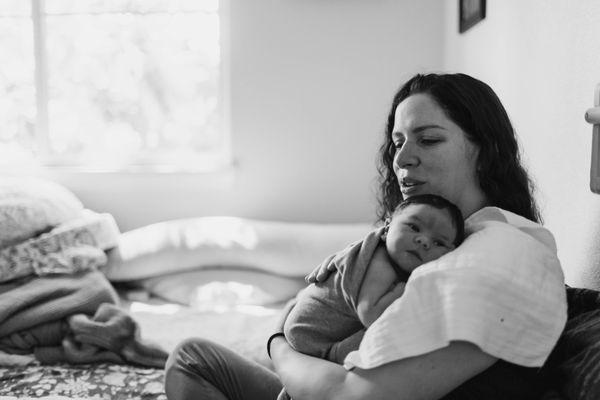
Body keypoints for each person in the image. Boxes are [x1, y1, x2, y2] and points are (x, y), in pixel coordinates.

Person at [164, 73, 567, 400]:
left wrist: (277, 343)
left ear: (486, 149)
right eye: (397, 143)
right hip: (322, 376)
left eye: (428, 139)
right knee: (190, 357)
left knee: (193, 360)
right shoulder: (466, 238)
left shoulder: (497, 255)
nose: (402, 158)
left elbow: (349, 396)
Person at [276, 194, 464, 400]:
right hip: (311, 338)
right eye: (414, 227)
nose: (424, 241)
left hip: (306, 335)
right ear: (388, 226)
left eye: (438, 242)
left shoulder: (392, 256)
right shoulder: (380, 263)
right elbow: (371, 315)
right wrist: (403, 291)